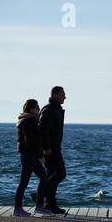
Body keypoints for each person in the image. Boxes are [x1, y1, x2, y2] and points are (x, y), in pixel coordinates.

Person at [14, 100, 51, 216]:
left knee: (44, 178)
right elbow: (30, 141)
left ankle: (39, 205)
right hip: (28, 155)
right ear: (31, 108)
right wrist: (40, 156)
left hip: (31, 155)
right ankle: (17, 208)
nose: (39, 109)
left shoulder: (29, 119)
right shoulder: (29, 120)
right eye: (37, 107)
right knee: (24, 182)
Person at [39, 86, 67, 214]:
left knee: (52, 175)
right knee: (60, 173)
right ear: (55, 95)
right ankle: (42, 194)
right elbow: (43, 130)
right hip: (51, 149)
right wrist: (46, 147)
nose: (64, 97)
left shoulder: (55, 109)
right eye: (62, 95)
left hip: (55, 146)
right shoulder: (49, 109)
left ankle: (50, 204)